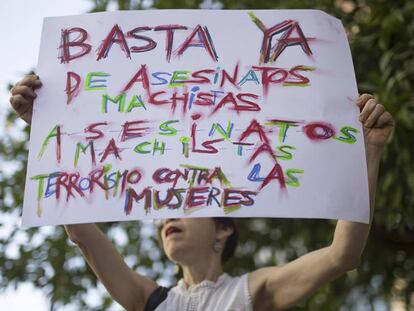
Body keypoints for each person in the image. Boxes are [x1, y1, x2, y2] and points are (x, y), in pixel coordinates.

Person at [9, 74, 394, 311]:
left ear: (223, 229)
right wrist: (46, 129)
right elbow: (81, 233)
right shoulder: (148, 300)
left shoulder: (253, 292)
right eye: (163, 211)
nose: (166, 217)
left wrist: (369, 153)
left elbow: (343, 255)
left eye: (185, 205)